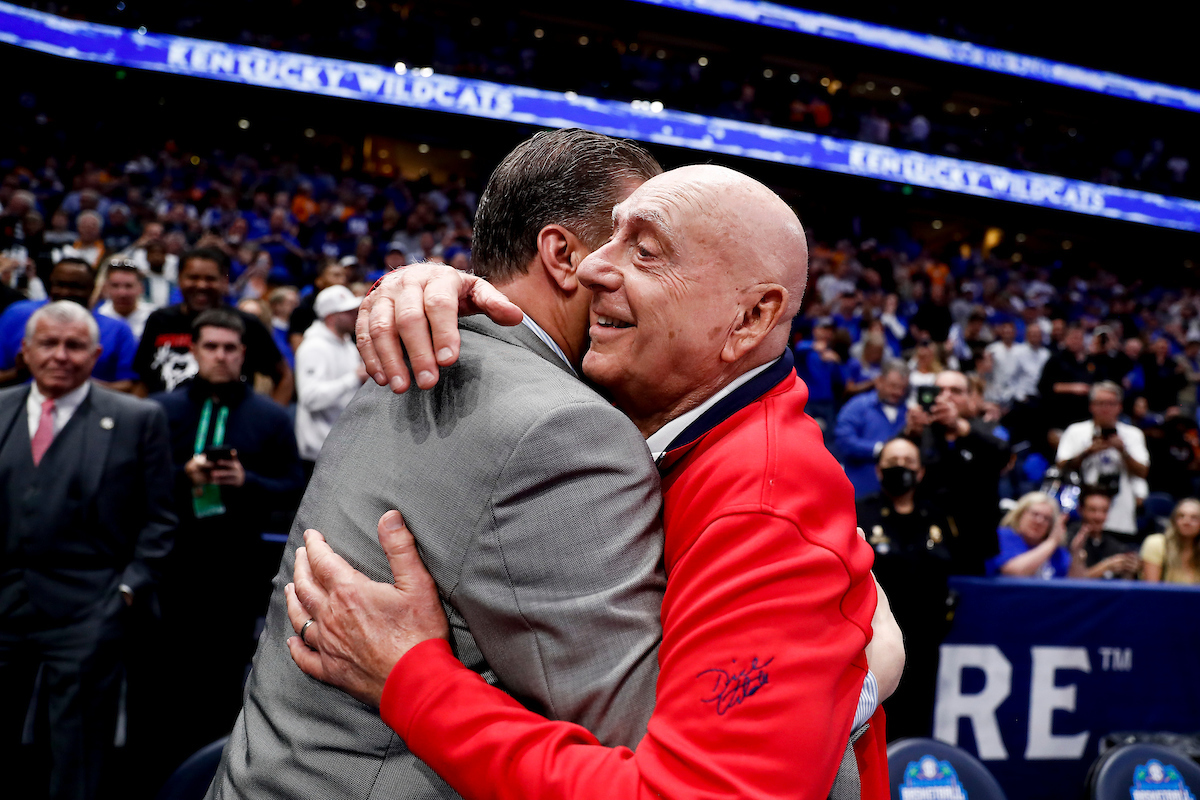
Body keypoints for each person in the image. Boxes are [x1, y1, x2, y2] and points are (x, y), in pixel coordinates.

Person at [283, 164, 894, 798]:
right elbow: (524, 319)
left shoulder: (762, 506)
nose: (594, 268)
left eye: (646, 252)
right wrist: (415, 285)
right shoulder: (663, 405)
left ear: (751, 318)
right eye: (607, 238)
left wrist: (412, 680)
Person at [207, 129, 674, 800]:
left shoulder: (410, 345)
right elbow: (642, 739)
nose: (648, 277)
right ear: (564, 254)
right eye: (642, 249)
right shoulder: (564, 428)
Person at [0, 300, 175, 800]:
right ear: (24, 351)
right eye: (48, 344)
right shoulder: (1, 411)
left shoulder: (138, 419)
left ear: (96, 354)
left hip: (87, 610)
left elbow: (160, 519)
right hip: (4, 606)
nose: (60, 355)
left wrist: (126, 590)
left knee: (77, 757)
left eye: (74, 345)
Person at [149, 308, 303, 778]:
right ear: (194, 351)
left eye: (230, 348)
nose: (220, 356)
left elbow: (295, 487)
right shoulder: (161, 410)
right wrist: (183, 476)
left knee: (224, 678)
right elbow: (138, 485)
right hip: (172, 561)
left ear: (244, 354)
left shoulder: (271, 418)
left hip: (236, 566)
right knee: (167, 675)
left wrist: (246, 480)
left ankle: (214, 774)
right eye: (210, 347)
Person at [856, 437, 953, 741]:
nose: (901, 469)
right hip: (874, 641)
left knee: (918, 723)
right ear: (879, 470)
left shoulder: (937, 516)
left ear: (921, 472)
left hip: (924, 641)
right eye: (893, 463)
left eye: (909, 463)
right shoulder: (860, 512)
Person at [134, 247, 293, 402]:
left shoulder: (246, 324)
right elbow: (142, 381)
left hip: (228, 423)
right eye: (193, 278)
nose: (201, 285)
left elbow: (285, 376)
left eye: (210, 279)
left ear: (224, 281)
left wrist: (271, 423)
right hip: (169, 424)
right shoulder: (159, 320)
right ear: (179, 279)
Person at [0, 257, 139, 391]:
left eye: (75, 287)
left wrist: (78, 381)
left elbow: (130, 385)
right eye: (59, 285)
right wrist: (18, 373)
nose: (65, 292)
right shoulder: (17, 315)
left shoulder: (117, 329)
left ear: (92, 288)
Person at [1056, 382, 1150, 536]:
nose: (1105, 408)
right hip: (1082, 503)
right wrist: (1087, 452)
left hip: (1120, 507)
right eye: (1100, 403)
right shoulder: (1076, 431)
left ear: (1119, 406)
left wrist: (1122, 451)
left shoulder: (1133, 434)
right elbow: (1061, 465)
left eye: (1111, 403)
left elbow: (1143, 471)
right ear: (1091, 406)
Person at [294, 285, 367, 471]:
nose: (355, 316)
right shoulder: (313, 347)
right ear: (331, 317)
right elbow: (310, 398)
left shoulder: (347, 345)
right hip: (318, 454)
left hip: (344, 446)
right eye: (349, 312)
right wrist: (354, 378)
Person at [834, 360, 912, 498]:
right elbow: (843, 441)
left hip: (897, 496)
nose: (898, 392)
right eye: (893, 386)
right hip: (861, 491)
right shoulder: (857, 406)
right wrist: (878, 450)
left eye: (902, 388)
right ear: (879, 381)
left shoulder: (909, 413)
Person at [985, 492, 1077, 578]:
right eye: (1034, 514)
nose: (1039, 521)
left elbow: (1076, 582)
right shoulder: (1003, 536)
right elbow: (1013, 573)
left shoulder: (1056, 551)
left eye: (1046, 518)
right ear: (1020, 515)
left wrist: (1077, 555)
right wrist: (1052, 542)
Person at [1067, 487, 1140, 580]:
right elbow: (1071, 580)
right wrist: (1106, 566)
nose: (1098, 517)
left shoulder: (1115, 546)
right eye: (1093, 510)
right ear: (1081, 510)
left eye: (1104, 511)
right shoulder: (1069, 538)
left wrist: (1129, 571)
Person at [1140, 497, 1200, 585]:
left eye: (1194, 518)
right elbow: (1151, 591)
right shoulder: (1156, 544)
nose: (1186, 521)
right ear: (1174, 521)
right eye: (1181, 516)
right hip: (1163, 598)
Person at [96, 259, 155, 339]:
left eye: (128, 286)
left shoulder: (153, 317)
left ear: (141, 288)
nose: (122, 293)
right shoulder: (99, 318)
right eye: (115, 286)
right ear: (106, 288)